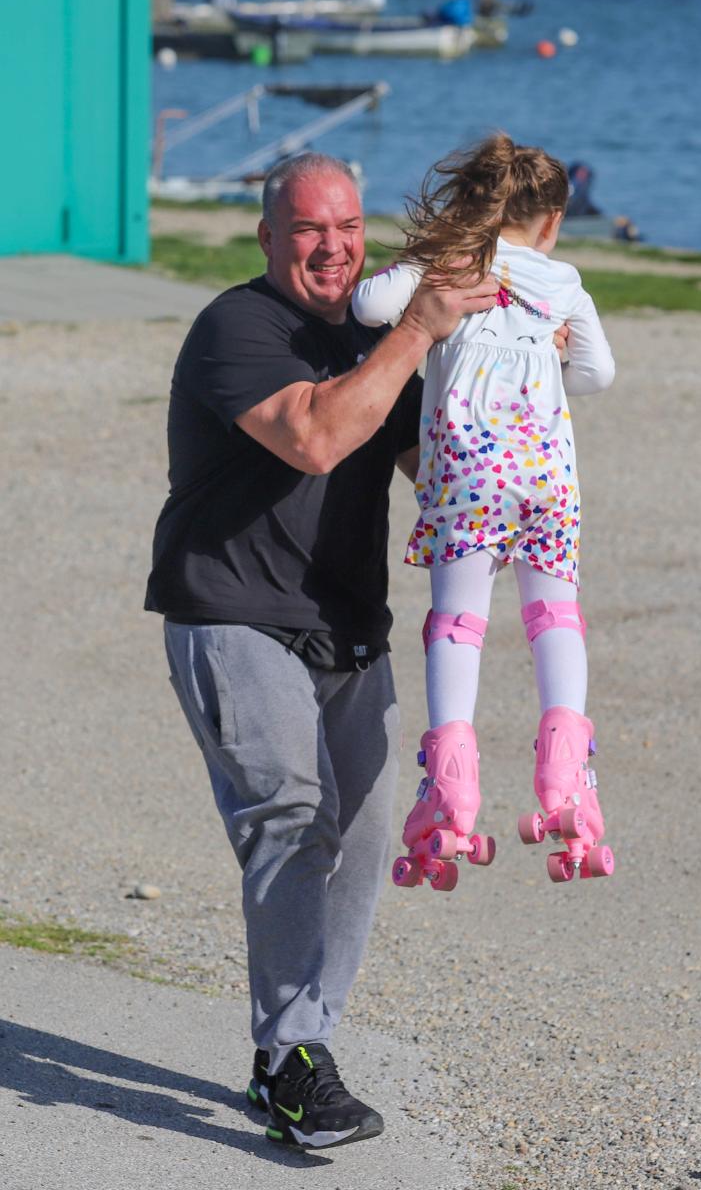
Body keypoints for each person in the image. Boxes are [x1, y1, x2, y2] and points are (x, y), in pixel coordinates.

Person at [144, 151, 498, 1151]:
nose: (333, 247)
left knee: (363, 838)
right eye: (308, 229)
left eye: (347, 228)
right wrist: (417, 331)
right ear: (269, 238)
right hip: (232, 611)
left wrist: (521, 375)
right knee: (295, 818)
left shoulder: (378, 339)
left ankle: (294, 1057)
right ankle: (296, 1057)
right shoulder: (237, 328)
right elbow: (315, 436)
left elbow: (438, 471)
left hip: (346, 625)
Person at [351, 134, 616, 891]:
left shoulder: (452, 265)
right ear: (553, 220)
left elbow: (369, 306)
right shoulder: (564, 283)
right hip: (547, 479)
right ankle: (566, 776)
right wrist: (552, 357)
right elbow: (599, 373)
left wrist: (431, 259)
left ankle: (452, 785)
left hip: (470, 474)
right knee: (554, 617)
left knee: (458, 623)